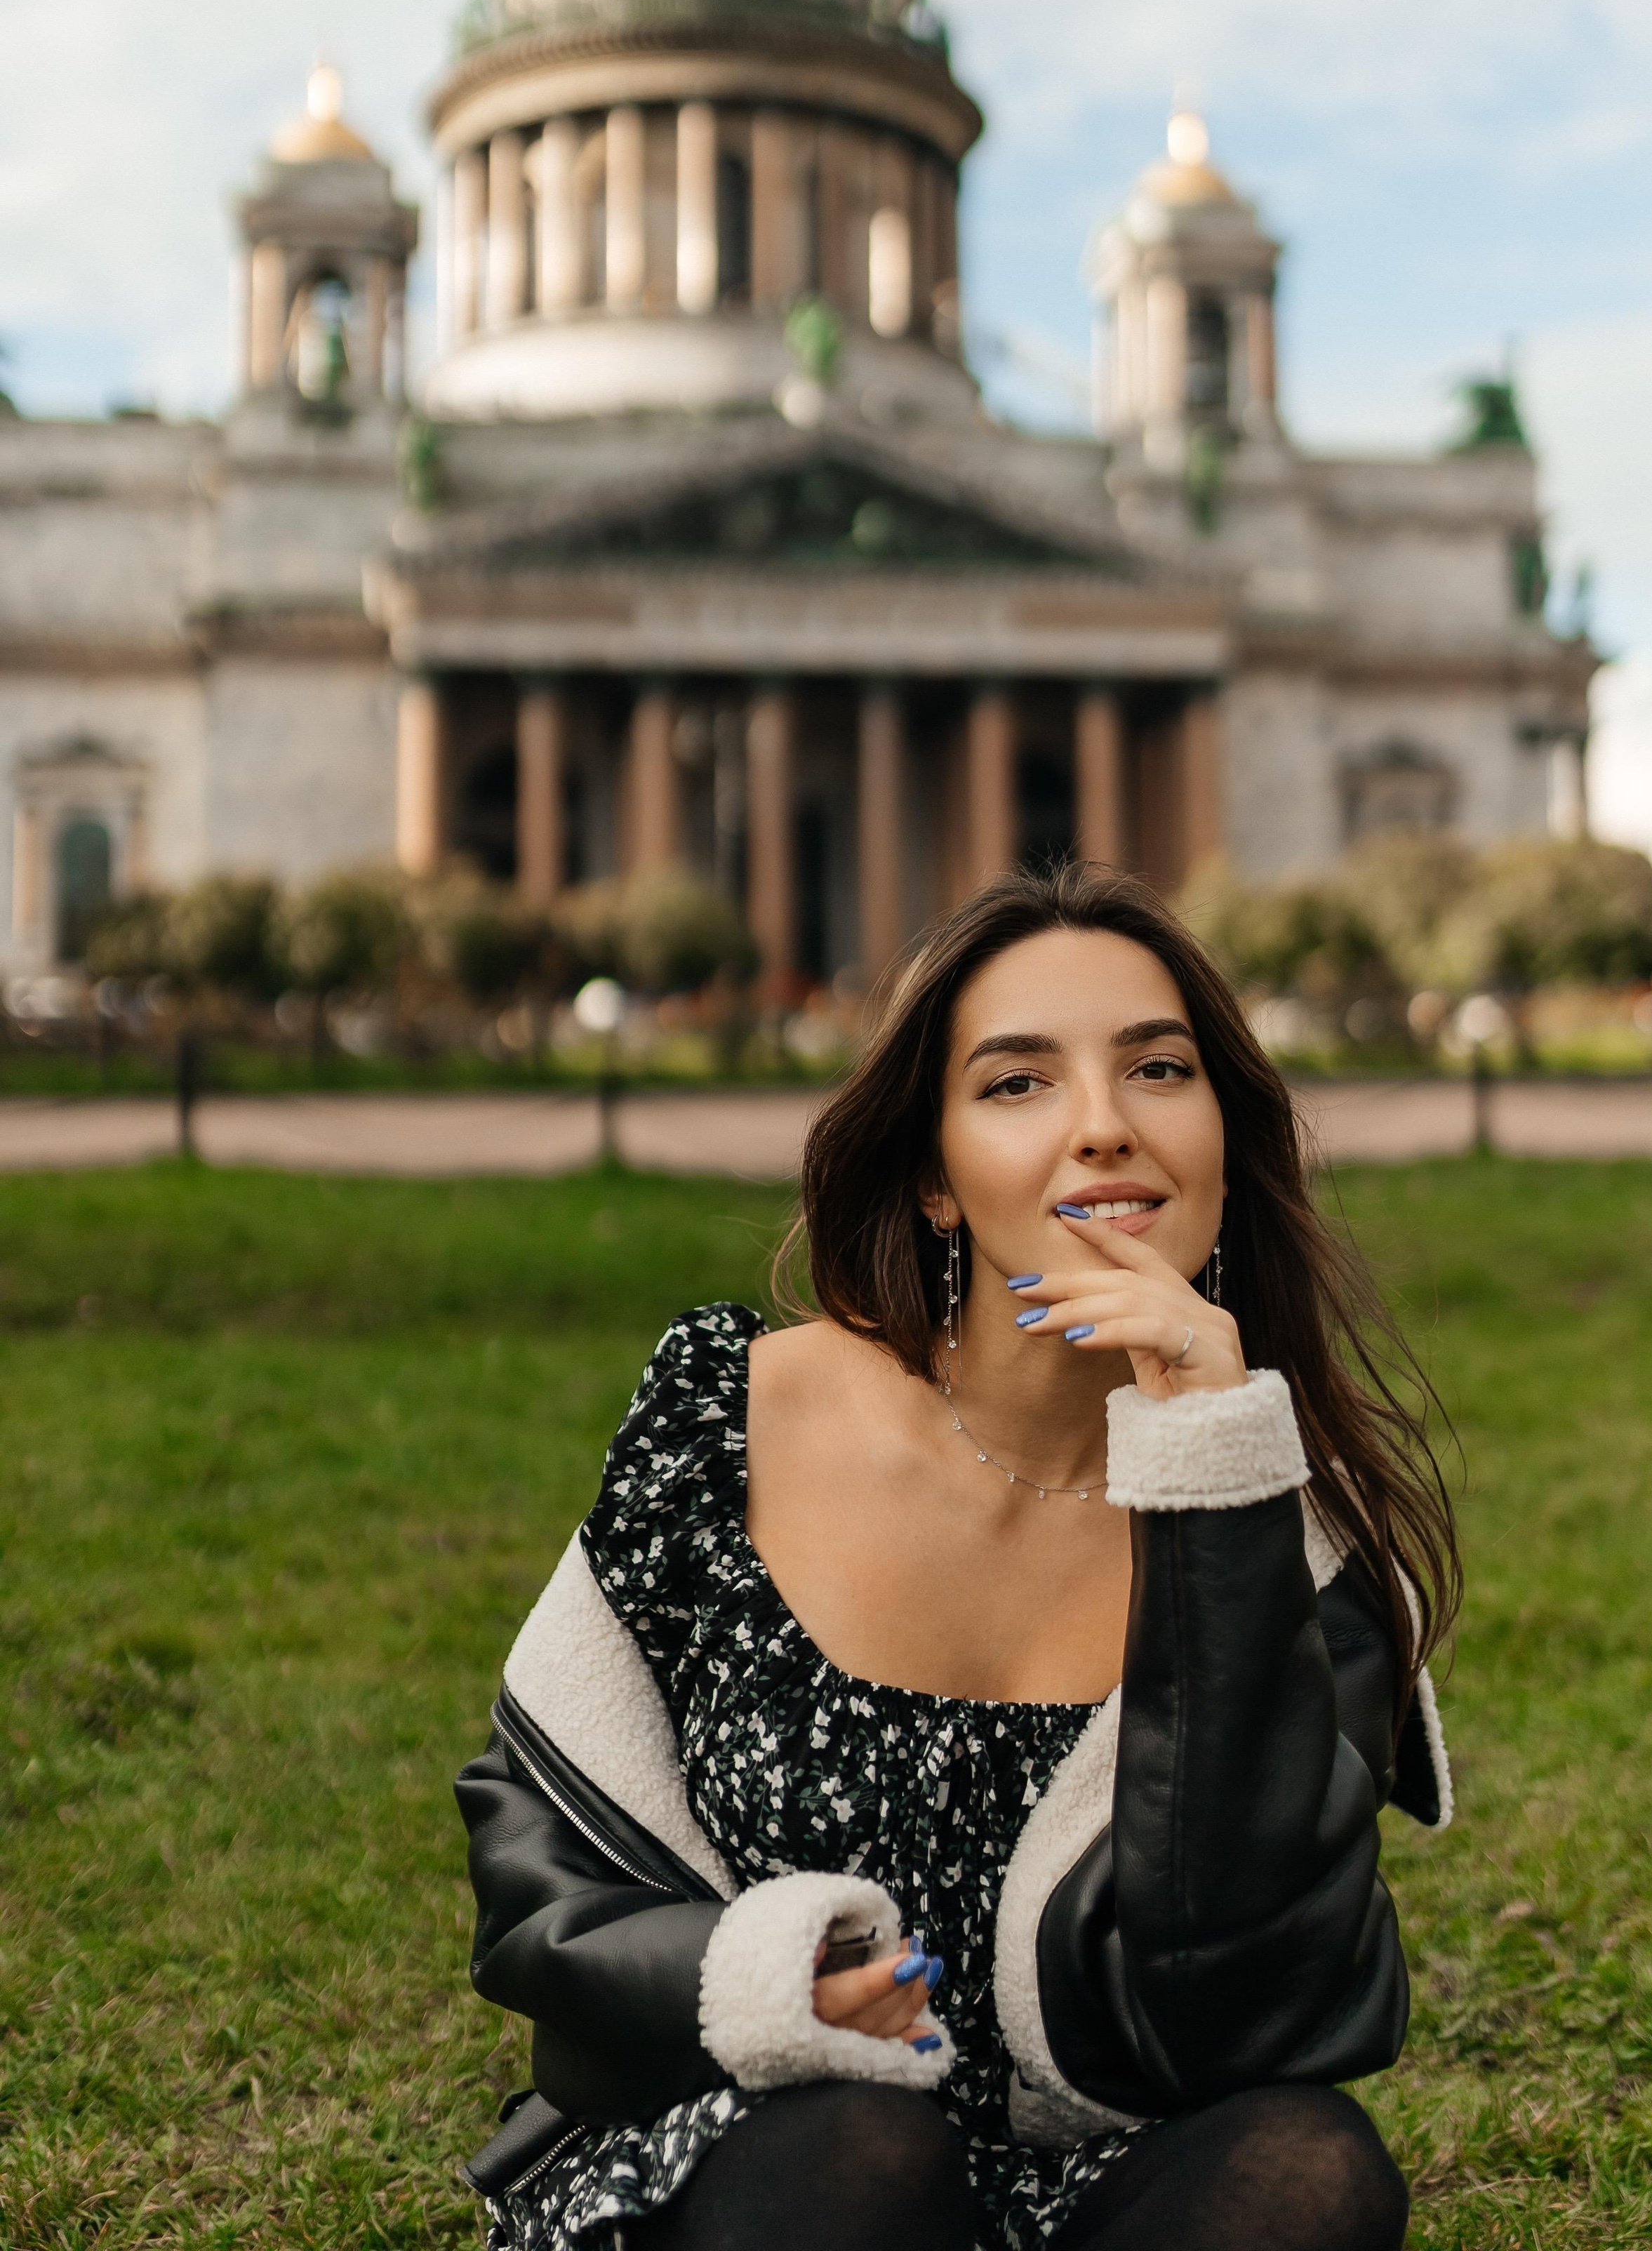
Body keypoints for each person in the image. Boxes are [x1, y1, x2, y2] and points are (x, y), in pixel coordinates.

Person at [455, 863, 1458, 2251]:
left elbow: (1250, 2009)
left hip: (1093, 2177)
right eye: (1017, 1083)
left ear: (1221, 1135)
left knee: (1312, 2168)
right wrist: (759, 1984)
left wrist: (1209, 1476)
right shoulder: (735, 1414)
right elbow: (543, 1872)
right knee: (862, 2154)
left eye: (1158, 1070)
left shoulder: (1287, 1532)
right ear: (934, 1178)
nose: (1103, 1127)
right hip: (752, 2146)